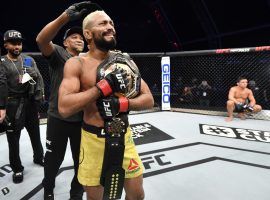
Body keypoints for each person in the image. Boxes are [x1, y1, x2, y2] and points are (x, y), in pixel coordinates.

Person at [58, 10, 154, 200]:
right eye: (102, 24)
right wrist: (100, 89)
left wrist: (123, 104)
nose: (110, 27)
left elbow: (149, 99)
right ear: (88, 34)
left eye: (111, 23)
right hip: (93, 141)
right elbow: (64, 107)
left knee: (137, 195)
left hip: (124, 136)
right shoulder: (77, 63)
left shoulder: (123, 61)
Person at [36, 1, 99, 199]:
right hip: (58, 118)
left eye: (81, 37)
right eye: (73, 37)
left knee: (81, 159)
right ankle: (48, 190)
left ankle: (76, 192)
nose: (78, 39)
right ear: (65, 42)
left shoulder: (89, 58)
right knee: (53, 159)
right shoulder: (58, 54)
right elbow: (41, 39)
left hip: (83, 119)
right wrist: (65, 16)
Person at [0, 30, 45, 183]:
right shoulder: (2, 62)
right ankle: (17, 169)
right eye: (13, 43)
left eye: (19, 43)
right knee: (13, 140)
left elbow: (37, 78)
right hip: (12, 104)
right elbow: (3, 85)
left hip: (30, 102)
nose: (17, 46)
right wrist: (2, 108)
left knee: (35, 133)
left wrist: (38, 101)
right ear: (6, 45)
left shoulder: (27, 60)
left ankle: (39, 157)